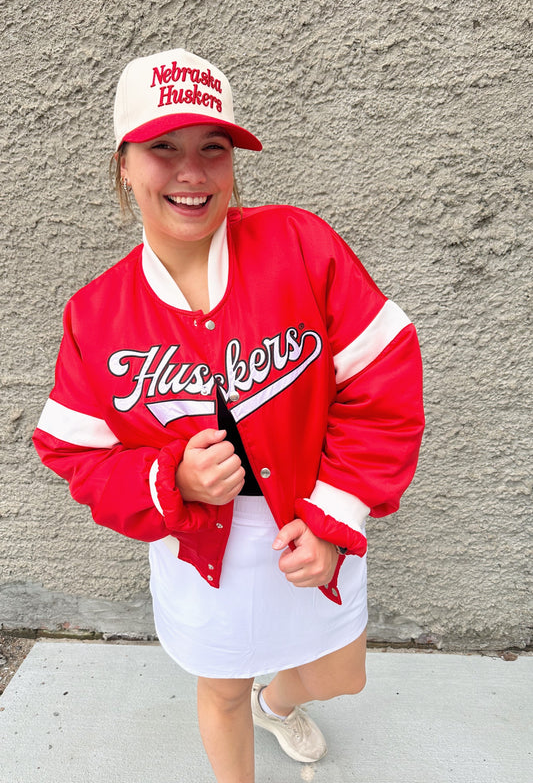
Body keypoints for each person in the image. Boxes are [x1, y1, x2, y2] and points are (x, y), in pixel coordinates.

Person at [33, 48, 424, 783]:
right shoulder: (96, 312)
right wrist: (167, 475)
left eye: (212, 149)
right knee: (218, 691)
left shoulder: (299, 245)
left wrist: (337, 519)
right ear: (122, 164)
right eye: (162, 149)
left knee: (342, 676)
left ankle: (278, 704)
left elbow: (384, 383)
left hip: (313, 522)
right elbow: (73, 453)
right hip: (198, 547)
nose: (191, 172)